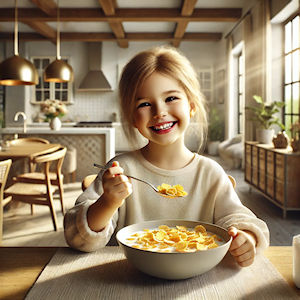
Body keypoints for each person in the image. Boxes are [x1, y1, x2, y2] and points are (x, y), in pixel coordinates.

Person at [64, 46, 269, 267]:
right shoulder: (119, 170)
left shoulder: (210, 173)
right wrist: (108, 202)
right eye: (144, 104)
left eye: (170, 98)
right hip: (128, 279)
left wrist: (248, 238)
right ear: (133, 117)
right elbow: (76, 237)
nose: (159, 112)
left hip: (197, 281)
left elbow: (239, 219)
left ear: (191, 106)